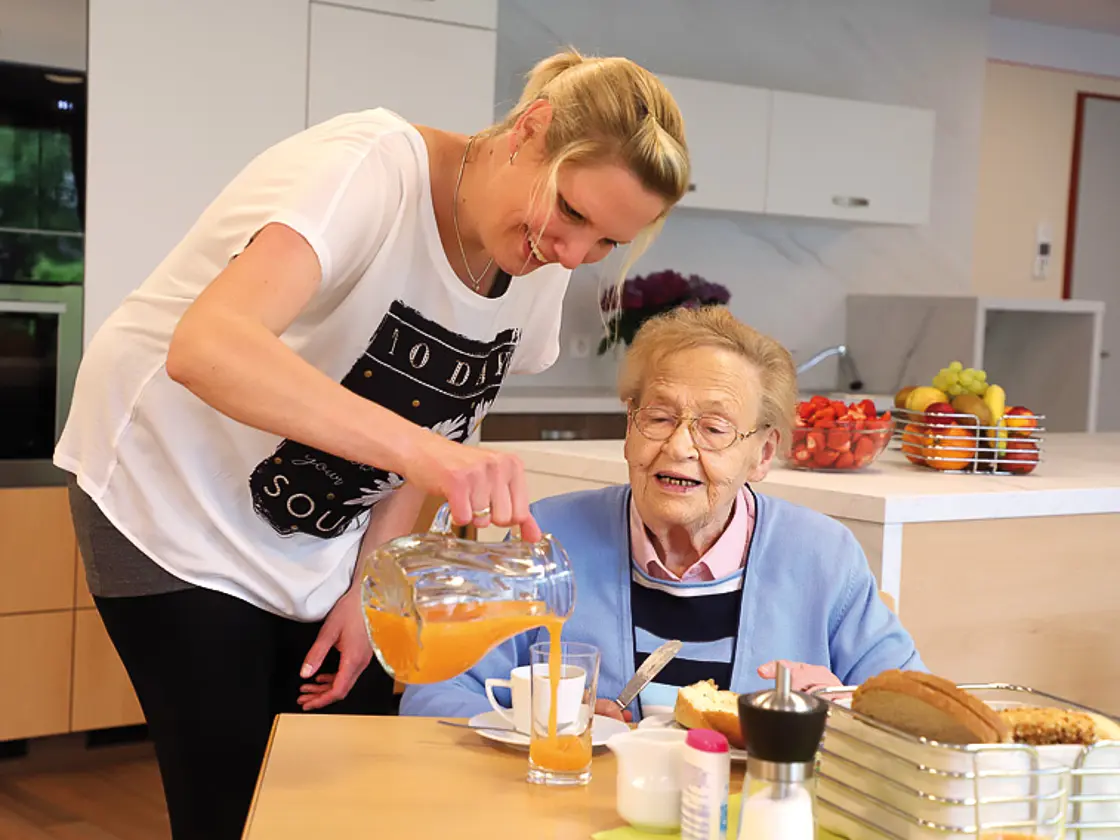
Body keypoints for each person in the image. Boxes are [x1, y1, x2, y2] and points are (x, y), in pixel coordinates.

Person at [53, 48, 690, 840]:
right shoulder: (366, 172)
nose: (571, 253)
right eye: (572, 212)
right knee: (237, 806)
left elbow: (443, 416)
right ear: (533, 128)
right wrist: (428, 456)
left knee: (345, 799)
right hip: (168, 493)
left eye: (604, 244)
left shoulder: (538, 258)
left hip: (317, 533)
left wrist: (371, 585)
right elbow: (206, 347)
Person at [399, 306, 925, 722]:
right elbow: (435, 694)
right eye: (658, 417)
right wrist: (539, 721)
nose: (678, 447)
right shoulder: (547, 539)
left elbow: (914, 712)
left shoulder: (822, 558)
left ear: (763, 454)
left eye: (714, 429)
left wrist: (839, 709)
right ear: (629, 426)